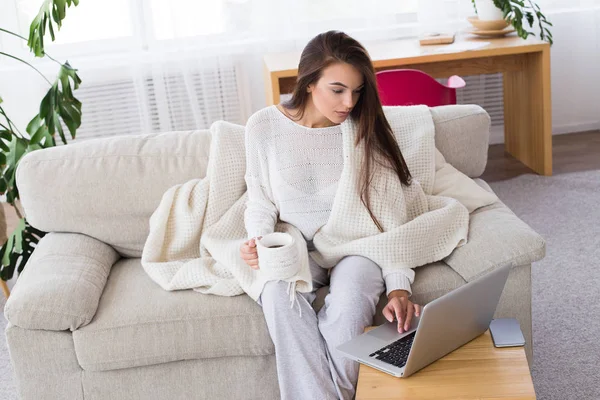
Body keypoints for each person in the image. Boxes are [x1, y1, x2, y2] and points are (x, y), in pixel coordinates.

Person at [240, 30, 422, 400]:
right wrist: (258, 239)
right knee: (277, 295)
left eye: (356, 91)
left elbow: (388, 219)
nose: (349, 102)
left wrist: (398, 285)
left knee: (352, 304)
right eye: (337, 89)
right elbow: (259, 199)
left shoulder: (362, 129)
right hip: (291, 245)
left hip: (354, 244)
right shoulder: (263, 126)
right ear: (308, 83)